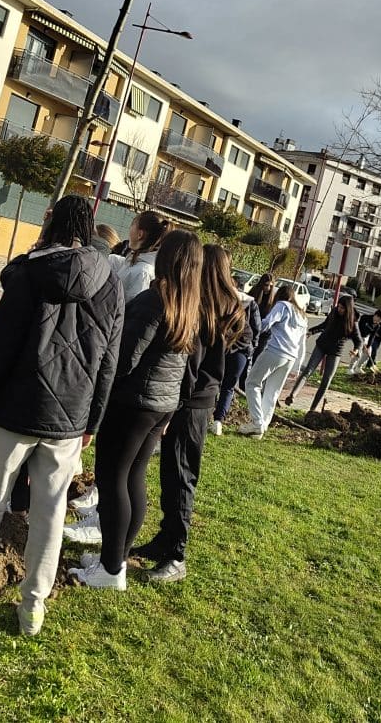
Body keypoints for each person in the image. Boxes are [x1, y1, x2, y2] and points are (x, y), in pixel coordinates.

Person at [0, 196, 122, 634]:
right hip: (70, 416)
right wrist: (93, 421)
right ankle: (33, 608)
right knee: (50, 512)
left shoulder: (26, 274)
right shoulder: (111, 281)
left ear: (50, 225)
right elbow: (109, 359)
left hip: (13, 411)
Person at [67, 230, 203, 591]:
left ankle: (111, 569)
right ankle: (115, 560)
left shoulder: (154, 300)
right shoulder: (190, 305)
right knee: (133, 479)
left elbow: (124, 358)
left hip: (133, 404)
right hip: (161, 406)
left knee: (113, 482)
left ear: (166, 260)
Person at [137, 243, 246, 582]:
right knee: (172, 475)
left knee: (181, 477)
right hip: (199, 402)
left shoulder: (207, 312)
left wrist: (173, 408)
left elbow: (191, 368)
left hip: (190, 405)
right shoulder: (226, 308)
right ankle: (165, 539)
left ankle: (176, 555)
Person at [240, 285, 307, 438]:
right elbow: (302, 344)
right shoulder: (302, 315)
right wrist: (297, 367)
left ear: (280, 296)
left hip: (275, 351)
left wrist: (249, 330)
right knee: (272, 391)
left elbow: (267, 322)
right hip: (291, 357)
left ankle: (257, 423)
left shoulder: (282, 305)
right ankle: (262, 425)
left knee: (252, 383)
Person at [285, 294, 362, 412]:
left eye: (342, 308)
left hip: (335, 351)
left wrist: (356, 350)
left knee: (326, 380)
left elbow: (358, 341)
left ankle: (312, 409)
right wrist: (311, 331)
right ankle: (292, 395)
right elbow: (324, 325)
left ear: (348, 309)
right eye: (339, 307)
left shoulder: (352, 322)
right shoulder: (334, 312)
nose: (339, 310)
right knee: (308, 371)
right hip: (322, 345)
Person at [212, 288, 258, 436]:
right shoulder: (249, 304)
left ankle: (210, 416)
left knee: (214, 381)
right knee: (228, 387)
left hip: (223, 349)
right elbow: (256, 329)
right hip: (241, 350)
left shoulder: (219, 304)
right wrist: (252, 348)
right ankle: (218, 420)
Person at [111, 210, 171, 298]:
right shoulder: (136, 263)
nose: (129, 229)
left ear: (140, 234)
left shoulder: (142, 272)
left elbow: (131, 307)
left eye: (132, 225)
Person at [349, 310, 381, 377]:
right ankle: (350, 368)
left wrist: (368, 346)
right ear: (375, 315)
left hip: (366, 337)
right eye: (378, 319)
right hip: (358, 335)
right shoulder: (365, 318)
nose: (378, 321)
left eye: (380, 320)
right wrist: (361, 340)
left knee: (368, 353)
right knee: (358, 353)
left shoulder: (377, 326)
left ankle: (358, 367)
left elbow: (372, 337)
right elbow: (358, 328)